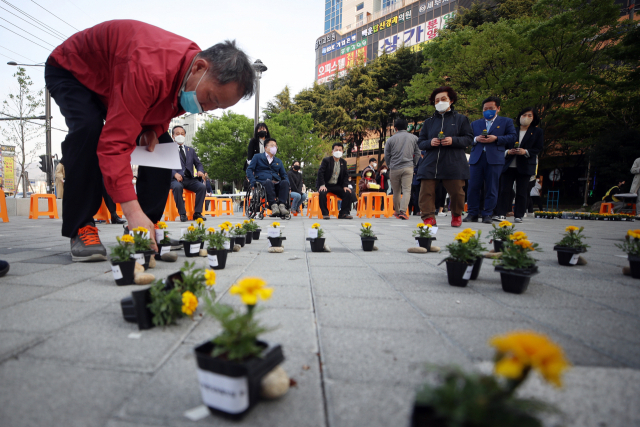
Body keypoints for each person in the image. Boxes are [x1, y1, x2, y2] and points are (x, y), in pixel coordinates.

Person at [44, 20, 255, 262]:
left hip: (116, 83)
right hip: (74, 72)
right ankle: (81, 227)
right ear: (199, 67)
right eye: (209, 98)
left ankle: (146, 227)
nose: (203, 109)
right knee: (88, 129)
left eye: (214, 107)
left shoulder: (189, 73)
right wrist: (130, 211)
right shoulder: (148, 68)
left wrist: (154, 128)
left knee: (161, 146)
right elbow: (113, 145)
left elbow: (162, 106)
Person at [416, 86, 473, 227]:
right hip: (431, 161)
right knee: (426, 191)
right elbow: (421, 142)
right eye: (437, 100)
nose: (440, 102)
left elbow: (469, 139)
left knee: (457, 192)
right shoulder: (428, 122)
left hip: (453, 161)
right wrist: (431, 142)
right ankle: (428, 217)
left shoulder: (461, 119)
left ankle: (456, 214)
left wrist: (453, 140)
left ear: (451, 100)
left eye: (443, 99)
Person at [464, 96, 517, 224]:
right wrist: (476, 139)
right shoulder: (475, 124)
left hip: (495, 158)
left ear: (498, 108)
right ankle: (472, 213)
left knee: (492, 187)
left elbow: (512, 137)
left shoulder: (506, 122)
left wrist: (496, 139)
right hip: (477, 158)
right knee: (473, 187)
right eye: (485, 109)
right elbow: (467, 139)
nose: (488, 111)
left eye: (491, 108)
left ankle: (488, 213)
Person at [493, 108, 544, 223]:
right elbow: (502, 144)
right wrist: (507, 152)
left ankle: (519, 215)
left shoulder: (537, 132)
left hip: (525, 164)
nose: (526, 117)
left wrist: (525, 151)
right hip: (509, 164)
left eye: (529, 115)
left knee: (522, 191)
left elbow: (538, 148)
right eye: (524, 115)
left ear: (534, 118)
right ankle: (501, 213)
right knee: (504, 190)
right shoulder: (512, 130)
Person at [384, 118, 421, 220]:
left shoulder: (391, 139)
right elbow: (418, 153)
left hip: (394, 167)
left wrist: (389, 165)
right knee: (406, 190)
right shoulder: (414, 138)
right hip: (408, 167)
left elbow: (387, 155)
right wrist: (413, 164)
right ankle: (403, 211)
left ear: (395, 128)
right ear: (407, 127)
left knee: (396, 191)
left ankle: (396, 211)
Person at [171, 125, 207, 222]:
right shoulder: (169, 150)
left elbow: (198, 164)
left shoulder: (190, 150)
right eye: (177, 133)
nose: (180, 135)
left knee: (202, 187)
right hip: (175, 179)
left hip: (189, 179)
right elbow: (165, 167)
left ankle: (197, 213)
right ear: (173, 136)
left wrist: (200, 171)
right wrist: (174, 174)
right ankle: (182, 214)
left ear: (185, 135)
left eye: (182, 133)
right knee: (177, 187)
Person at [246, 138, 290, 216]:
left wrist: (289, 186)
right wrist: (252, 182)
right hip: (263, 182)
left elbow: (284, 175)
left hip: (276, 182)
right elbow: (249, 170)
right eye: (272, 145)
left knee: (285, 182)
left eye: (276, 146)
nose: (274, 148)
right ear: (266, 148)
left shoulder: (278, 161)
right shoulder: (257, 157)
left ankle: (282, 205)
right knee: (268, 182)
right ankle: (273, 205)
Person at [317, 142, 353, 220]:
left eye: (340, 150)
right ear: (332, 151)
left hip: (336, 185)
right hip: (325, 184)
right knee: (322, 193)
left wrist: (345, 186)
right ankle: (325, 213)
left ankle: (343, 213)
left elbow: (345, 175)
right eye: (336, 150)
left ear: (342, 152)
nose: (338, 151)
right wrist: (322, 185)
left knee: (348, 192)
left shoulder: (343, 162)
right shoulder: (326, 160)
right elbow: (321, 173)